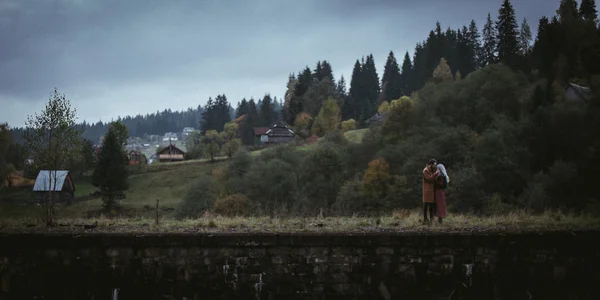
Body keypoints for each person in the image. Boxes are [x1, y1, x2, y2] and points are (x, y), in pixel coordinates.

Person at [422, 158, 440, 225]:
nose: (435, 166)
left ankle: (431, 219)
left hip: (432, 190)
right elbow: (429, 178)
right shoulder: (425, 170)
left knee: (432, 206)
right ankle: (425, 219)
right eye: (434, 164)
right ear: (430, 164)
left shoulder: (433, 170)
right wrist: (435, 174)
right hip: (427, 190)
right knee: (426, 205)